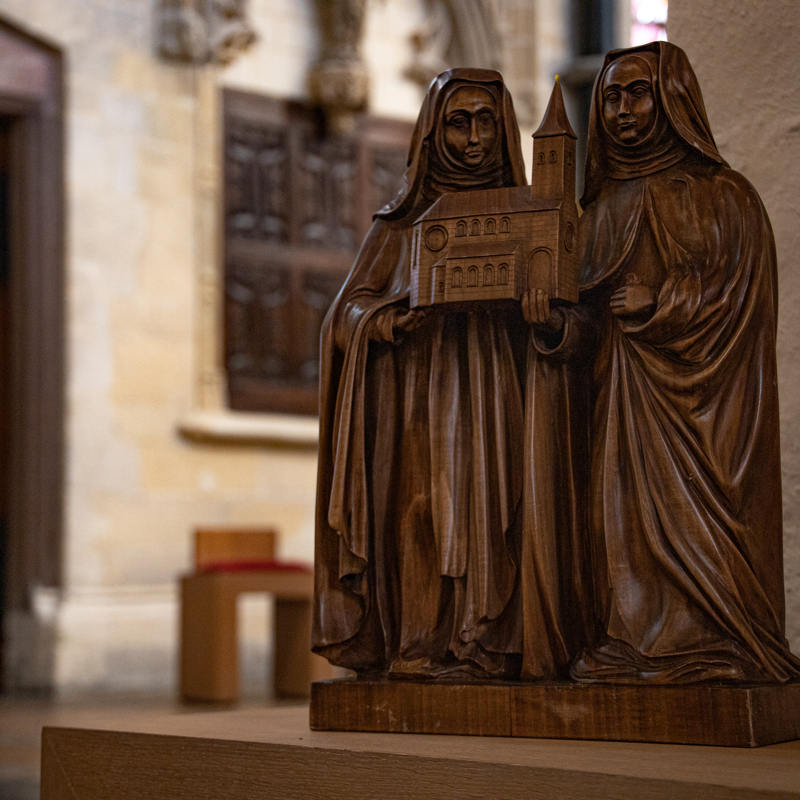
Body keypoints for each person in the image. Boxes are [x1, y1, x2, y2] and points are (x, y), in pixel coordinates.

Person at [529, 42, 800, 683]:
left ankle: (714, 645)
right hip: (619, 403)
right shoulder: (596, 214)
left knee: (701, 527)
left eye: (638, 92)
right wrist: (554, 326)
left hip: (703, 410)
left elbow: (742, 300)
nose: (623, 110)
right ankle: (630, 644)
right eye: (612, 97)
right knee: (618, 524)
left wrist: (664, 305)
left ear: (672, 99)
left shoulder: (726, 197)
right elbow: (586, 325)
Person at [313, 69, 529, 679]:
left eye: (487, 122)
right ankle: (417, 644)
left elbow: (564, 301)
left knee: (497, 511)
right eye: (459, 123)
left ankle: (485, 643)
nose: (474, 139)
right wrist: (383, 321)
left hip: (496, 389)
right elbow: (346, 311)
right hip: (419, 398)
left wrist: (545, 314)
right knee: (420, 510)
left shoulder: (527, 214)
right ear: (433, 134)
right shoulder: (399, 224)